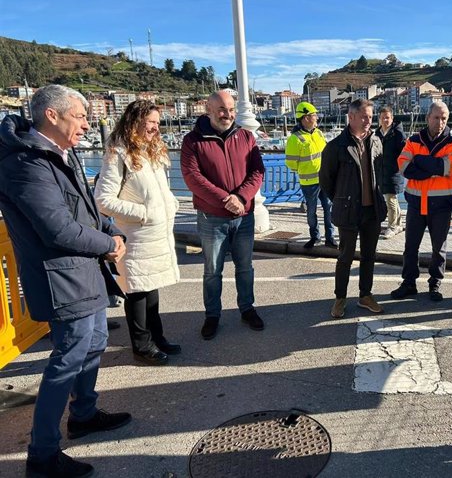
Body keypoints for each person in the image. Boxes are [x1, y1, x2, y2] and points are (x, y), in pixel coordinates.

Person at [0, 85, 131, 478]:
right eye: (80, 116)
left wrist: (107, 227)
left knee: (95, 343)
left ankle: (84, 414)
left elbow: (83, 207)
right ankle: (42, 456)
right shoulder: (25, 162)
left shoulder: (58, 152)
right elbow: (56, 229)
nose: (87, 125)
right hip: (61, 279)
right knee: (67, 359)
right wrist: (108, 243)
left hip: (83, 271)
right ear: (52, 116)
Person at [95, 99, 181, 365]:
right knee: (137, 293)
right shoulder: (117, 152)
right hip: (136, 236)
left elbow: (158, 191)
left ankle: (157, 338)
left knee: (150, 289)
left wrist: (170, 204)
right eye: (151, 123)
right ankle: (142, 346)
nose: (156, 128)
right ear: (135, 122)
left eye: (157, 122)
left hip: (155, 235)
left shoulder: (150, 150)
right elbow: (102, 199)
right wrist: (145, 213)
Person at [181, 90, 265, 340]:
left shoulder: (246, 137)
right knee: (212, 270)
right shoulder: (192, 141)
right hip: (212, 218)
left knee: (245, 267)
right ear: (208, 110)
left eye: (230, 110)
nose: (227, 115)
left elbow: (257, 171)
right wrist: (225, 200)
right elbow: (192, 177)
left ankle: (247, 308)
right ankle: (212, 315)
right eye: (221, 110)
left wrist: (240, 198)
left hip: (243, 216)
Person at [319, 98, 387, 319]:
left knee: (369, 256)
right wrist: (342, 199)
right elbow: (326, 182)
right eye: (364, 116)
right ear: (351, 117)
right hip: (349, 210)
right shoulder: (336, 146)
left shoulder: (376, 142)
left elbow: (381, 172)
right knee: (345, 257)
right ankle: (340, 298)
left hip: (372, 210)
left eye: (370, 116)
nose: (369, 121)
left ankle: (365, 295)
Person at [390, 102, 452, 302]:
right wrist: (432, 166)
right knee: (410, 246)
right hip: (415, 203)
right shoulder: (414, 140)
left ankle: (435, 284)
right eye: (436, 117)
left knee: (439, 248)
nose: (440, 122)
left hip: (441, 206)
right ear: (428, 118)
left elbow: (445, 167)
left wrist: (419, 160)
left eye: (444, 118)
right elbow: (403, 165)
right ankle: (408, 283)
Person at [285, 101, 336, 249]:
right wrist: (306, 169)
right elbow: (291, 163)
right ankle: (315, 237)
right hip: (309, 182)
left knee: (329, 209)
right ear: (306, 118)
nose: (317, 118)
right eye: (314, 115)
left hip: (324, 179)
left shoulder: (319, 133)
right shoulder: (295, 139)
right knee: (311, 212)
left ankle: (330, 238)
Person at [375, 106, 406, 239]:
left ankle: (392, 226)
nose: (385, 120)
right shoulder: (377, 133)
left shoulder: (397, 133)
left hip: (393, 171)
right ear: (379, 119)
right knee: (391, 199)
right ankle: (398, 224)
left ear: (392, 118)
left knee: (390, 200)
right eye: (382, 118)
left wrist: (399, 165)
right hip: (381, 172)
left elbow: (404, 151)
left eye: (387, 117)